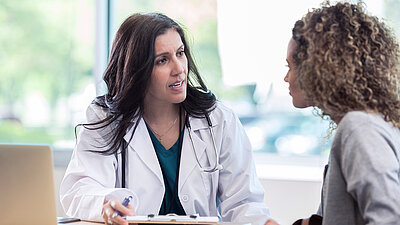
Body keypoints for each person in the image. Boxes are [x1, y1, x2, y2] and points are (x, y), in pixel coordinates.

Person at [60, 12, 276, 225]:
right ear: (137, 69)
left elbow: (244, 203)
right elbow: (80, 188)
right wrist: (105, 204)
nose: (179, 69)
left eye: (180, 53)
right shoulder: (106, 119)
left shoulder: (218, 120)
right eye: (162, 60)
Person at [284, 1, 400, 225]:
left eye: (290, 67)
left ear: (316, 68)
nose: (286, 78)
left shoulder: (359, 128)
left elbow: (389, 217)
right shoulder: (368, 123)